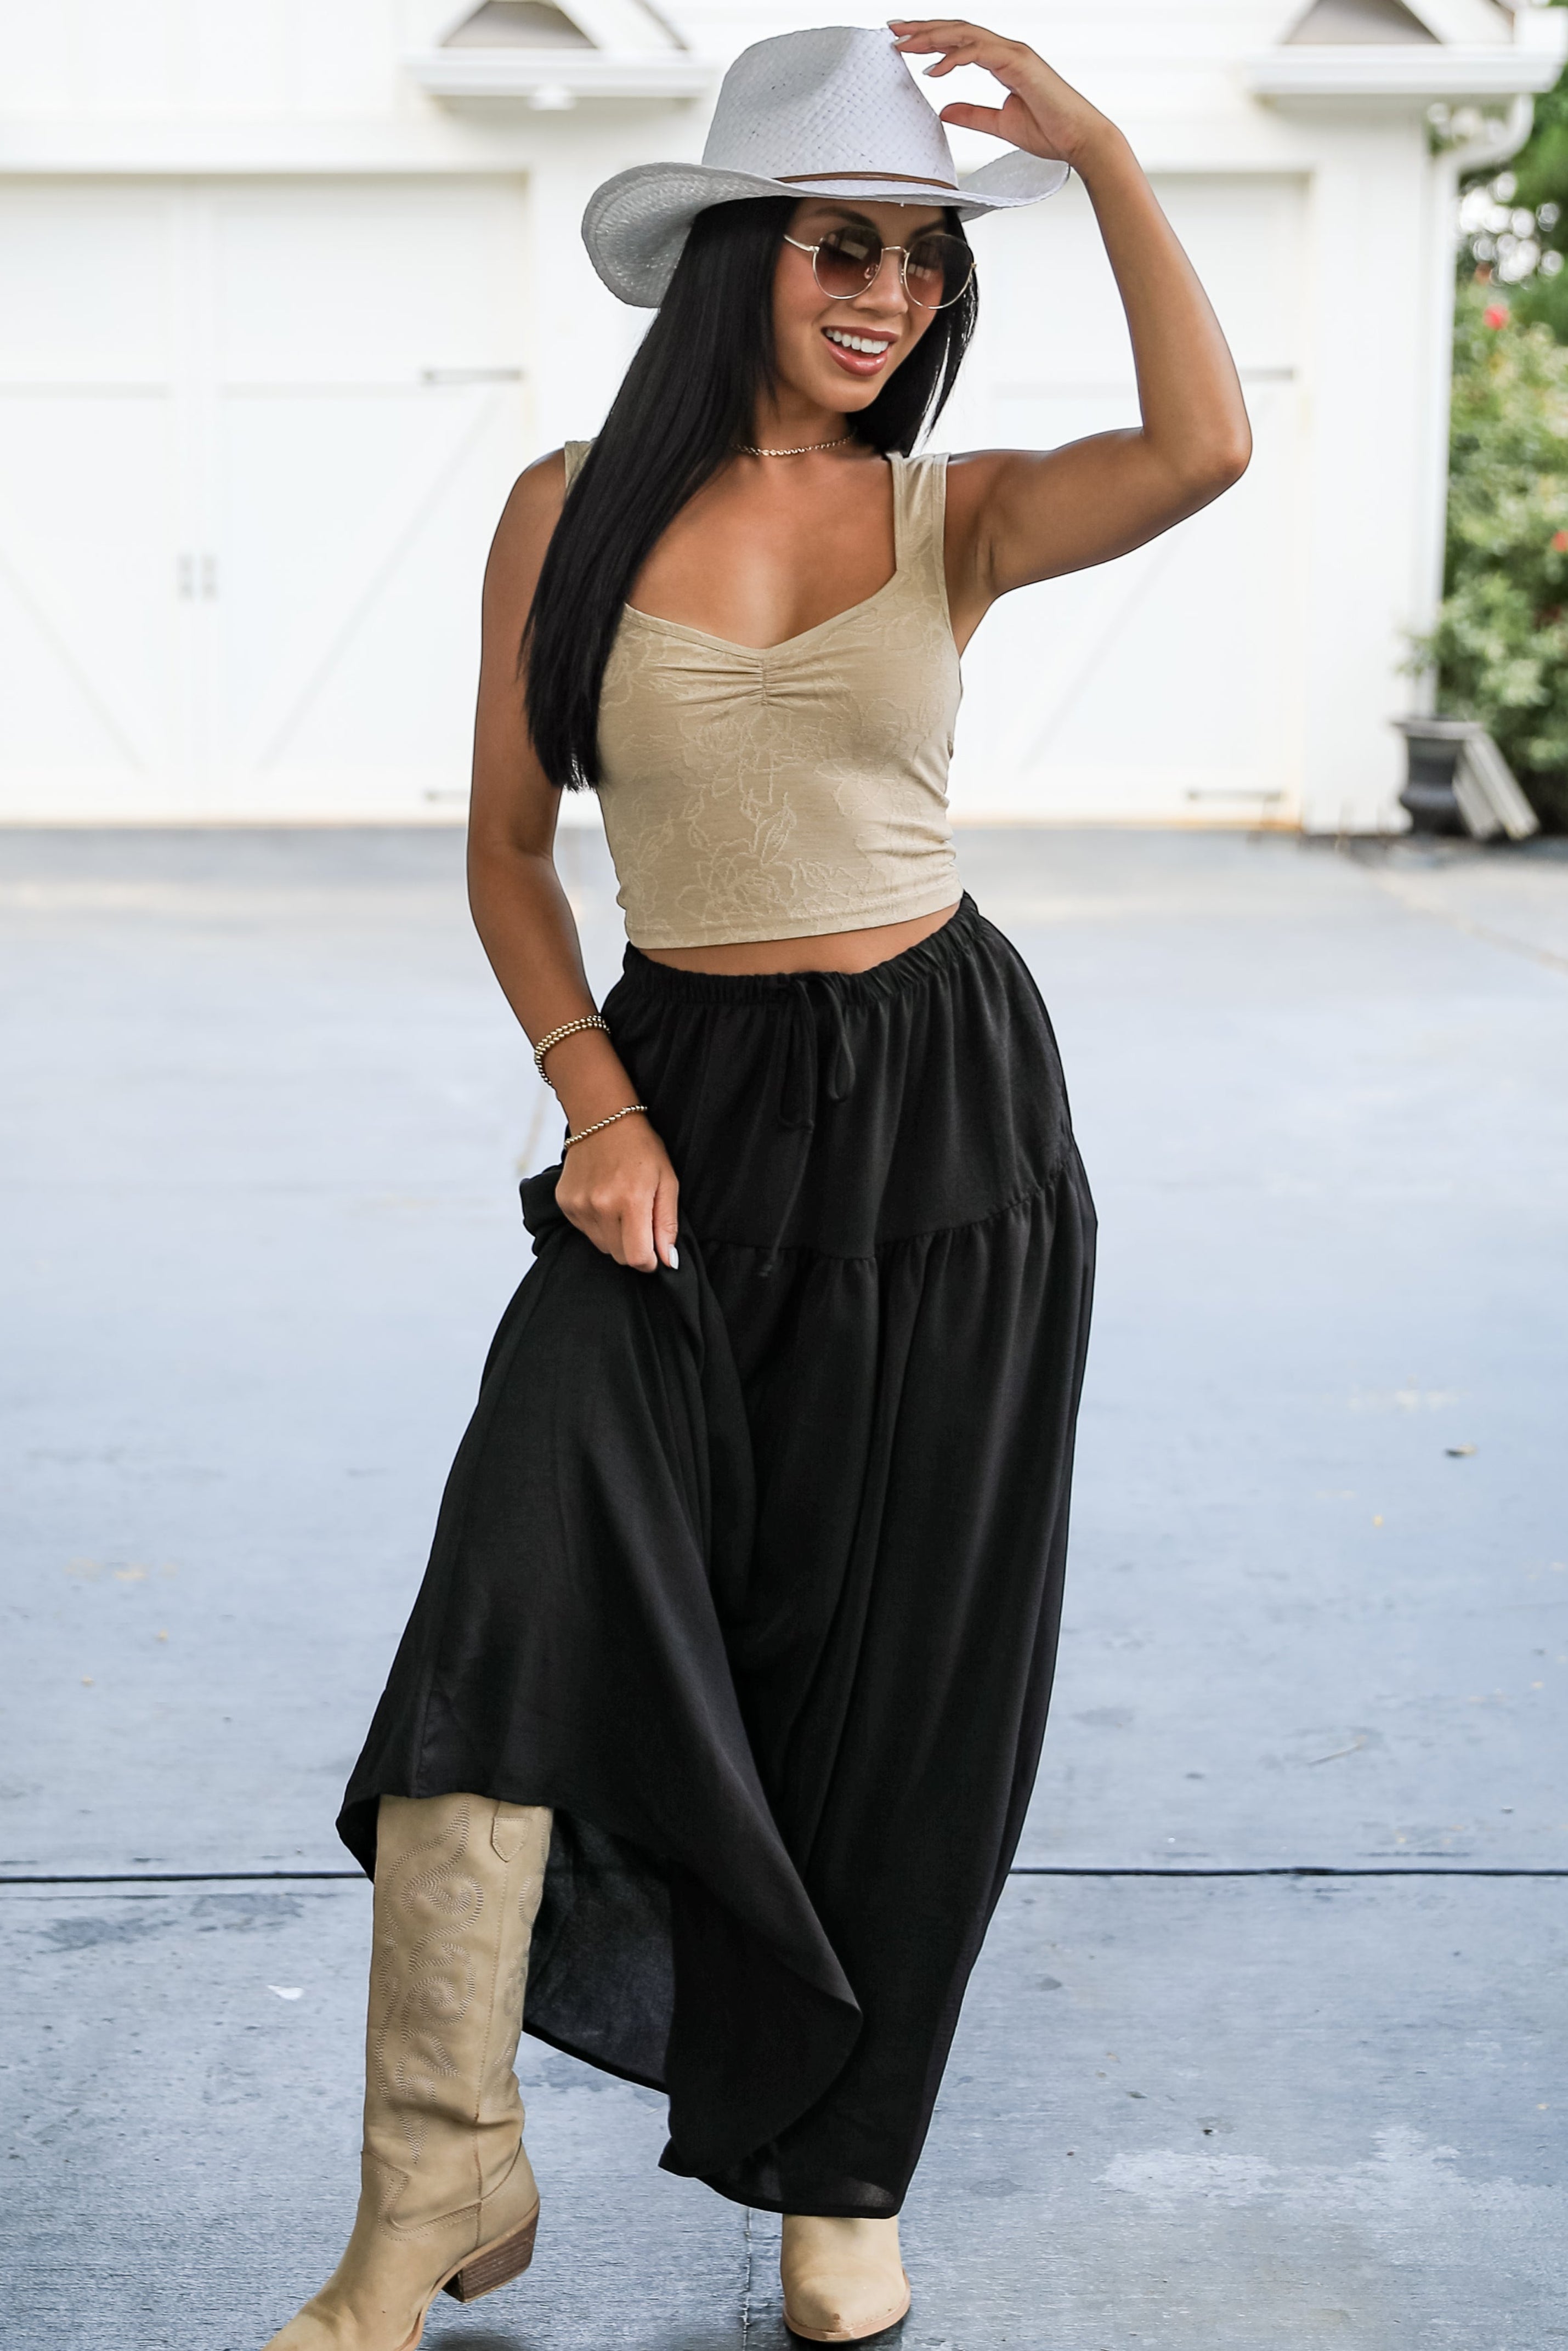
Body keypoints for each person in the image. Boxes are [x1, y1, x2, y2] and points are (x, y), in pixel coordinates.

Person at [262, 19, 1248, 2350]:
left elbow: (1206, 443)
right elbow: (511, 855)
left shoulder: (956, 511)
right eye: (844, 244)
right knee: (507, 1601)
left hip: (946, 1117)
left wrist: (1092, 147)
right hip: (678, 1100)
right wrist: (597, 1105)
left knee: (904, 1674)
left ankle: (844, 2173)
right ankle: (433, 2193)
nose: (889, 292)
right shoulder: (564, 507)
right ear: (735, 257)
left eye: (921, 259)